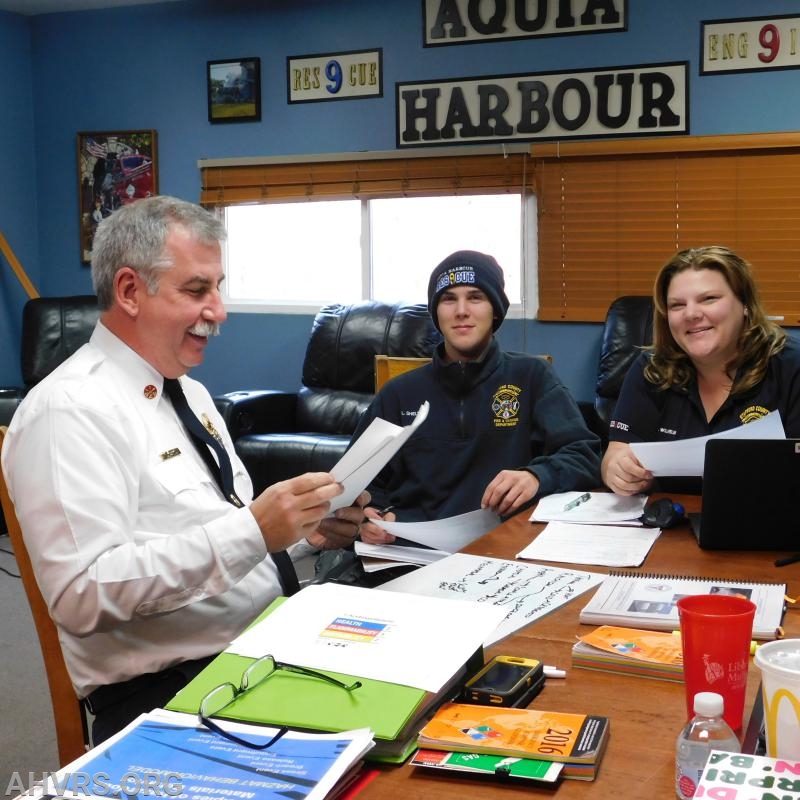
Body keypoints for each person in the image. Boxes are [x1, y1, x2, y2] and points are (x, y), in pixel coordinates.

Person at [1, 195, 367, 744]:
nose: (219, 310)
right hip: (171, 695)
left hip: (259, 653)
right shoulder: (68, 410)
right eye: (197, 290)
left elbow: (209, 536)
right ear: (129, 291)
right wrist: (252, 530)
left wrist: (303, 536)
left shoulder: (190, 393)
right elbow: (81, 593)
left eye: (218, 287)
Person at [357, 249, 601, 541]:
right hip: (412, 553)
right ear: (436, 311)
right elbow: (359, 485)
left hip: (506, 551)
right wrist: (369, 516)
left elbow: (585, 456)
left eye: (475, 297)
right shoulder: (398, 393)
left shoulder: (531, 377)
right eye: (449, 299)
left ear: (495, 309)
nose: (461, 310)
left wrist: (536, 476)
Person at [602, 245, 800, 496]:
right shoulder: (650, 369)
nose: (692, 314)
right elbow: (617, 451)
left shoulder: (790, 366)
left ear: (745, 305)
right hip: (671, 525)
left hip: (769, 523)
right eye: (677, 305)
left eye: (709, 299)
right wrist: (618, 471)